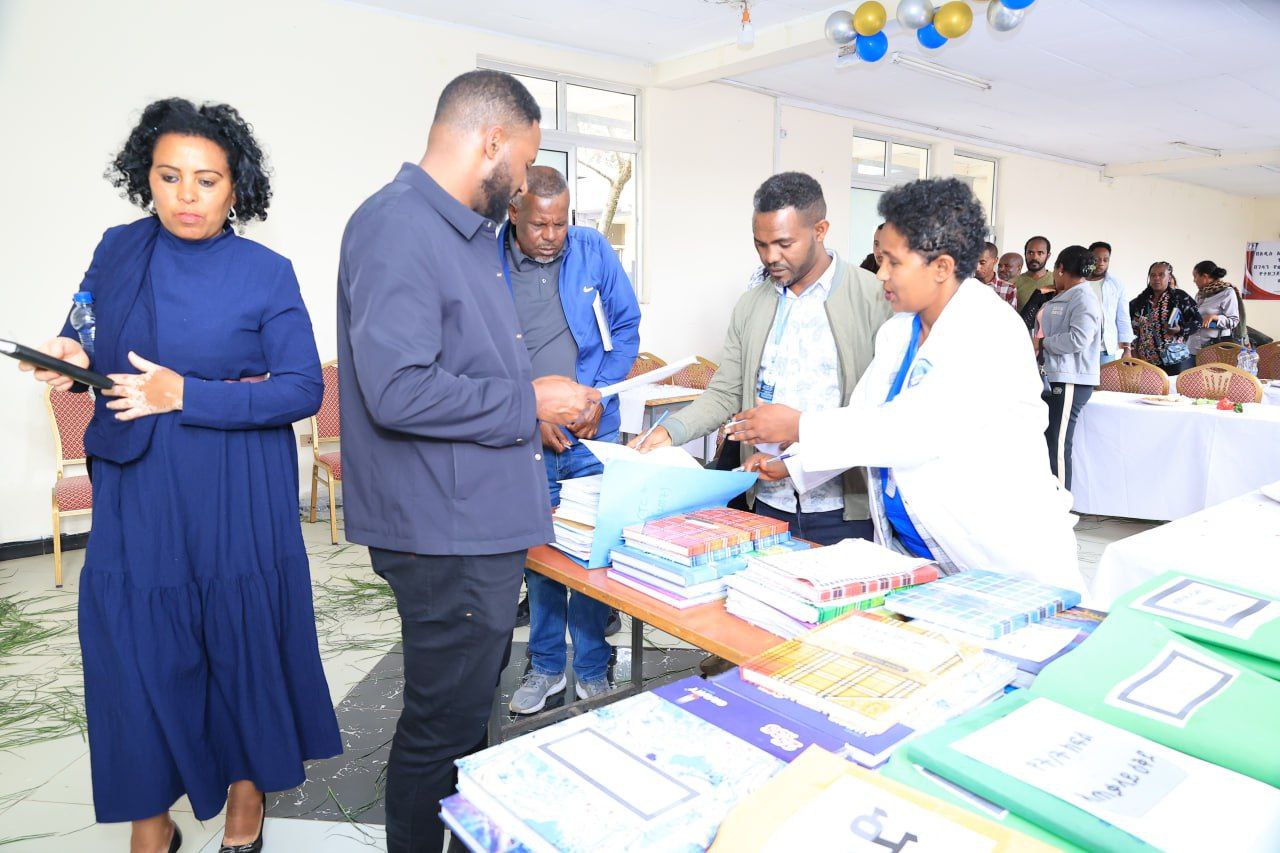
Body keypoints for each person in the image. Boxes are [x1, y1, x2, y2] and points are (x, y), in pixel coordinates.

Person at [18, 98, 341, 853]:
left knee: (240, 641)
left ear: (236, 187)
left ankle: (246, 794)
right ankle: (150, 817)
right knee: (135, 651)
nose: (186, 196)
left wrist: (186, 393)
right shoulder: (118, 250)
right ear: (147, 177)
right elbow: (85, 331)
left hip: (235, 486)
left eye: (206, 180)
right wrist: (68, 355)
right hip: (138, 484)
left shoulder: (265, 272)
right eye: (169, 177)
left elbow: (303, 388)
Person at [336, 71, 600, 853]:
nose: (523, 182)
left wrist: (534, 414)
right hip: (441, 530)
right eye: (525, 161)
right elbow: (399, 389)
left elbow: (463, 369)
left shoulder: (459, 231)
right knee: (439, 729)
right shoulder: (399, 226)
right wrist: (528, 402)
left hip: (471, 519)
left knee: (461, 721)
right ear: (492, 140)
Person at [727, 178, 1081, 592]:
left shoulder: (988, 328)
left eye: (893, 263)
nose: (881, 274)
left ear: (941, 267)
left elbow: (914, 430)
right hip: (917, 554)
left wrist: (799, 425)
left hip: (995, 557)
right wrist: (792, 464)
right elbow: (865, 419)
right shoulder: (898, 332)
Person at [632, 172, 891, 545]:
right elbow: (726, 392)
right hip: (766, 500)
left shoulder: (875, 298)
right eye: (761, 244)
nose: (771, 257)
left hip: (845, 508)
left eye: (784, 244)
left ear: (820, 230)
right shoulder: (751, 305)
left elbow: (883, 412)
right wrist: (671, 431)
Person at [500, 166, 641, 715]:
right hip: (525, 439)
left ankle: (592, 665)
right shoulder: (489, 261)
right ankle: (544, 666)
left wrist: (596, 396)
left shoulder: (591, 249)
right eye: (539, 224)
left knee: (590, 553)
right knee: (540, 557)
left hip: (591, 435)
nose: (551, 236)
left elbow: (625, 326)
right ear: (514, 213)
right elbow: (483, 353)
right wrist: (529, 412)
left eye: (560, 224)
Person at [1036, 246, 1102, 492]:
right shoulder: (1068, 295)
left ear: (1060, 268)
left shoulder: (1083, 298)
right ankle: (1049, 498)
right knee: (1049, 441)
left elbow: (1078, 339)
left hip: (1070, 379)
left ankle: (1061, 504)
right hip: (1054, 375)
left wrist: (1042, 343)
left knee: (1058, 443)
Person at [1130, 262, 1202, 375]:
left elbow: (1198, 322)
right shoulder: (1139, 302)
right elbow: (1131, 329)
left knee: (1173, 386)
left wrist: (1180, 329)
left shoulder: (1179, 297)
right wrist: (1131, 351)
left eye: (1161, 275)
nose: (1156, 278)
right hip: (1146, 362)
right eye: (1153, 275)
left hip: (1174, 359)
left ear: (1169, 278)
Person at [1085, 241, 1134, 364]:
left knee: (1105, 378)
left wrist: (1127, 349)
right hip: (1081, 348)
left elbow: (1123, 318)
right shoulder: (1079, 282)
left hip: (1105, 350)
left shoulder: (1116, 285)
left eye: (1105, 260)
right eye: (1096, 259)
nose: (1101, 263)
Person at [1188, 260, 1246, 353]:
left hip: (1214, 348)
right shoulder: (1200, 294)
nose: (1194, 280)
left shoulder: (1227, 292)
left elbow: (1234, 321)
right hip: (1194, 347)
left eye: (1195, 276)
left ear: (1205, 276)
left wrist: (1215, 317)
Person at [1013, 235, 1053, 310]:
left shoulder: (1057, 281)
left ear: (1048, 256)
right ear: (1025, 254)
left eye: (1040, 253)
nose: (1034, 257)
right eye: (1030, 253)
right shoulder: (1013, 283)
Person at [976, 241, 1017, 308]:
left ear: (995, 261)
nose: (977, 268)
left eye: (982, 263)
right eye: (974, 262)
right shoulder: (963, 285)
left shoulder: (1008, 289)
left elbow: (1010, 315)